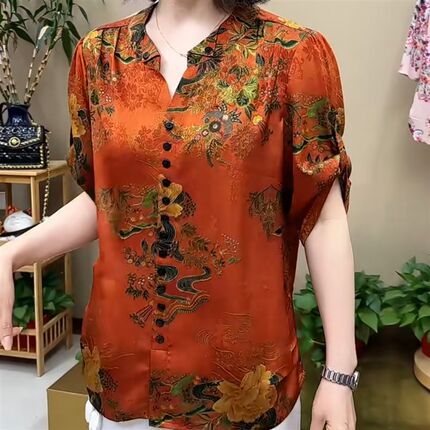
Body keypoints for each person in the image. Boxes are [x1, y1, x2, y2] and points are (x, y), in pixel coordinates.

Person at [0, 0, 357, 429]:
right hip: (123, 376)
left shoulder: (291, 54)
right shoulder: (99, 55)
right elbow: (109, 200)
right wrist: (12, 254)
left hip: (242, 387)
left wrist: (340, 375)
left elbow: (324, 218)